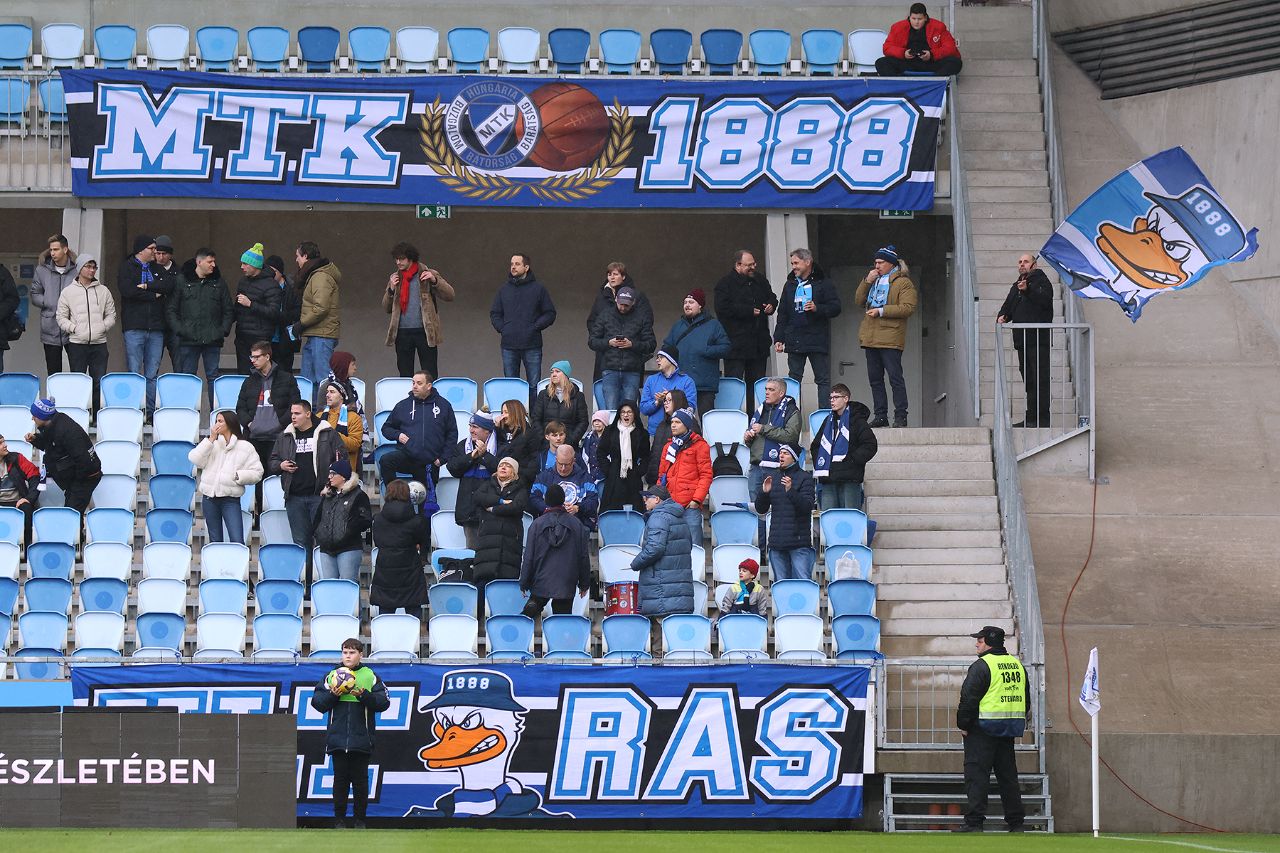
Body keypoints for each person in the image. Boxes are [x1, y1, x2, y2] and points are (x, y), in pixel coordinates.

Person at [310, 638, 391, 829]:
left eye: (352, 652)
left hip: (362, 739)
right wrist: (333, 695)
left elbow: (384, 702)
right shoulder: (332, 675)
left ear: (361, 655)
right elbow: (317, 703)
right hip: (338, 739)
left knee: (360, 783)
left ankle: (360, 820)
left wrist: (363, 695)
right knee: (340, 782)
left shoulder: (370, 675)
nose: (348, 656)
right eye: (345, 652)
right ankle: (339, 820)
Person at [956, 625, 1029, 833]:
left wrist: (964, 724)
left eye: (979, 641)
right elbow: (1026, 699)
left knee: (977, 776)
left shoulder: (981, 666)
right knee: (1008, 778)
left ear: (988, 642)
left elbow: (968, 699)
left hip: (982, 729)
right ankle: (1016, 823)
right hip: (1008, 729)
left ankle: (974, 822)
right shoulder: (1016, 665)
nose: (976, 644)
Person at [269, 400, 345, 573]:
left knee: (323, 541)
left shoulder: (327, 433)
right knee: (300, 543)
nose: (293, 417)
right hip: (294, 497)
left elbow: (341, 461)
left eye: (297, 413)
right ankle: (306, 583)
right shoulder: (285, 436)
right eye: (292, 413)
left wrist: (330, 486)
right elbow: (272, 461)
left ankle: (322, 581)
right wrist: (281, 465)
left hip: (321, 496)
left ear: (308, 414)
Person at [854, 245, 918, 428]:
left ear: (891, 263)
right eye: (875, 262)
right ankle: (880, 415)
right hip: (871, 337)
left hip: (890, 337)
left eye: (881, 262)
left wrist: (881, 311)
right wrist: (867, 281)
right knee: (875, 380)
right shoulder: (874, 280)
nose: (877, 266)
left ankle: (901, 415)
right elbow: (859, 301)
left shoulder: (903, 282)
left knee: (895, 378)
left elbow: (908, 308)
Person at [774, 248, 842, 410]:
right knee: (793, 379)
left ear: (808, 262)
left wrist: (817, 308)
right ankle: (790, 414)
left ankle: (825, 414)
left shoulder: (823, 283)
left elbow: (836, 307)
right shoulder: (790, 284)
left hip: (816, 338)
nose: (793, 267)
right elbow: (783, 313)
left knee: (822, 379)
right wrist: (779, 337)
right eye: (792, 263)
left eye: (796, 263)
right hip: (795, 338)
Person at [630, 484, 695, 652]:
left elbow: (654, 548)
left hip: (662, 591)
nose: (644, 500)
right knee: (677, 647)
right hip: (678, 590)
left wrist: (636, 563)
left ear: (657, 499)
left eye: (647, 497)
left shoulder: (658, 517)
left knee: (660, 646)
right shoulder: (679, 516)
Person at [167, 247, 232, 411]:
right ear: (199, 262)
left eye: (214, 261)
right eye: (210, 261)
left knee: (213, 377)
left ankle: (216, 415)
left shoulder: (219, 282)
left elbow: (228, 309)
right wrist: (180, 330)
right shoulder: (182, 281)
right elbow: (171, 309)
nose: (213, 265)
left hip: (213, 338)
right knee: (188, 378)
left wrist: (222, 330)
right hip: (188, 339)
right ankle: (187, 413)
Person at [714, 249, 778, 413]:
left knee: (757, 387)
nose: (753, 267)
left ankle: (755, 417)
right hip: (735, 346)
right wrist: (748, 311)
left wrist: (771, 305)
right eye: (749, 265)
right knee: (734, 386)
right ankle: (733, 418)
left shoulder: (760, 280)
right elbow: (722, 309)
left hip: (758, 345)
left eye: (754, 264)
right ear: (738, 265)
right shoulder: (725, 284)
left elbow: (772, 296)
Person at [236, 341, 301, 499]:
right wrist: (250, 424)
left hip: (278, 438)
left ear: (267, 356)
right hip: (254, 438)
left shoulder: (287, 379)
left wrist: (280, 424)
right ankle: (258, 512)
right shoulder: (249, 381)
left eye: (257, 357)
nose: (253, 360)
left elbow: (295, 405)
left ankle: (274, 511)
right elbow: (240, 408)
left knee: (275, 480)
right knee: (255, 479)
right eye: (252, 357)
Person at [117, 234, 172, 419]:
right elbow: (128, 291)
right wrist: (153, 295)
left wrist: (147, 286)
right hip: (134, 326)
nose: (155, 252)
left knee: (152, 374)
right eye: (152, 248)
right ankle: (134, 411)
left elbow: (167, 286)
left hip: (156, 328)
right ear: (141, 250)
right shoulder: (127, 267)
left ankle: (150, 413)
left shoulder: (158, 268)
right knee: (134, 371)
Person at [188, 410, 263, 544]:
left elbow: (257, 472)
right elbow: (195, 458)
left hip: (230, 500)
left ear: (230, 423)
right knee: (215, 540)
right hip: (209, 498)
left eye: (220, 421)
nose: (217, 424)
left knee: (237, 539)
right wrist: (211, 439)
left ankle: (237, 559)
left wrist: (238, 476)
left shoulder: (245, 447)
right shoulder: (212, 444)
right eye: (216, 421)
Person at [997, 253, 1055, 428]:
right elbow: (1009, 305)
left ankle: (1042, 419)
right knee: (1029, 380)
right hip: (1022, 340)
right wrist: (1003, 316)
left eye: (1026, 261)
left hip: (1037, 339)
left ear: (1034, 265)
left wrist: (1027, 290)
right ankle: (1031, 417)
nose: (1022, 264)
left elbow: (1044, 301)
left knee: (1040, 379)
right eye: (1020, 262)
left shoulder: (1041, 281)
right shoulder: (1017, 284)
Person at [384, 241, 455, 379]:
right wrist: (391, 290)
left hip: (425, 331)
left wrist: (435, 281)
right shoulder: (395, 278)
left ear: (411, 258)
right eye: (396, 259)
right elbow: (386, 307)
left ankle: (430, 394)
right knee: (405, 375)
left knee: (429, 374)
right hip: (402, 332)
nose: (398, 262)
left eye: (402, 259)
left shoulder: (428, 273)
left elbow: (450, 295)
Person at [472, 456, 528, 629]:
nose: (503, 467)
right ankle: (478, 623)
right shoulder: (487, 485)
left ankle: (503, 625)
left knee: (505, 585)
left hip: (509, 545)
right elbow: (478, 498)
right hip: (486, 544)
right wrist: (501, 501)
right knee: (482, 583)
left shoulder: (521, 488)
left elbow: (516, 507)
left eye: (508, 466)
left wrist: (492, 509)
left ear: (514, 472)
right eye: (501, 465)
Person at [520, 483, 591, 619]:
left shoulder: (536, 524)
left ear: (546, 500)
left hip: (541, 579)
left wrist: (524, 582)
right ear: (563, 499)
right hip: (567, 580)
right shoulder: (577, 524)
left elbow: (528, 557)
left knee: (531, 609)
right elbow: (583, 556)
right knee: (562, 621)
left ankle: (528, 614)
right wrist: (584, 584)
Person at [56, 255, 116, 412]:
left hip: (99, 343)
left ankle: (96, 416)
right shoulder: (68, 292)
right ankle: (79, 415)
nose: (92, 270)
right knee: (78, 382)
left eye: (94, 267)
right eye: (88, 267)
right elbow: (61, 317)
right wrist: (74, 328)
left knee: (98, 381)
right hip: (77, 344)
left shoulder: (103, 291)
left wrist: (102, 327)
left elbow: (111, 315)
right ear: (79, 268)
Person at [378, 371, 457, 488]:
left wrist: (442, 459)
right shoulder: (403, 405)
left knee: (426, 499)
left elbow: (452, 434)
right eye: (413, 383)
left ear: (429, 386)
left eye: (419, 383)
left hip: (430, 462)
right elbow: (386, 428)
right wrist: (398, 435)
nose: (414, 386)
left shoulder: (444, 405)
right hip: (407, 456)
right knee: (386, 461)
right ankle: (394, 493)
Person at [662, 289, 731, 416]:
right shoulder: (678, 326)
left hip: (705, 384)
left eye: (691, 302)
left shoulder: (713, 325)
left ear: (700, 305)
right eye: (685, 302)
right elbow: (666, 348)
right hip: (682, 383)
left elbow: (726, 348)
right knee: (680, 419)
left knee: (707, 420)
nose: (687, 305)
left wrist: (706, 350)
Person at [26, 398, 101, 514]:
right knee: (72, 514)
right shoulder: (53, 423)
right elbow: (51, 446)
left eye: (34, 416)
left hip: (85, 477)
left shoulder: (66, 431)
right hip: (77, 477)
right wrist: (35, 439)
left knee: (72, 514)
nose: (32, 418)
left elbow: (83, 460)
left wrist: (75, 483)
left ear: (42, 416)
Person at [490, 252, 556, 382]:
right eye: (511, 264)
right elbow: (495, 313)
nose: (513, 267)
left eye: (517, 264)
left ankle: (533, 399)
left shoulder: (538, 289)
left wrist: (535, 327)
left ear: (526, 267)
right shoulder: (504, 290)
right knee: (511, 385)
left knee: (534, 385)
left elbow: (550, 313)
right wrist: (504, 329)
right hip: (509, 345)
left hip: (532, 344)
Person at [811, 384, 879, 510]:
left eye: (836, 397)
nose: (832, 401)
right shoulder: (828, 420)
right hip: (829, 478)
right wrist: (821, 462)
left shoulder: (857, 420)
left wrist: (852, 460)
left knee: (849, 516)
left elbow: (870, 445)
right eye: (831, 398)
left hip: (849, 479)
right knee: (829, 517)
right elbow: (816, 446)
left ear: (846, 398)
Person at [754, 444, 816, 580]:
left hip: (799, 542)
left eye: (786, 453)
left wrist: (790, 491)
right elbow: (761, 509)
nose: (781, 456)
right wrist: (764, 492)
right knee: (781, 586)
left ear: (794, 458)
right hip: (777, 542)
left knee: (803, 583)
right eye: (780, 453)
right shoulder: (773, 477)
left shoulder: (805, 477)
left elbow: (807, 507)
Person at [370, 479, 431, 617]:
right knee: (413, 608)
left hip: (385, 567)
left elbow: (377, 541)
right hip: (410, 567)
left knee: (385, 610)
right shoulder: (417, 520)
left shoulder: (378, 519)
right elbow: (423, 541)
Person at [589, 285, 655, 410]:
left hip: (632, 370)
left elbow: (651, 344)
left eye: (626, 305)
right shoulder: (605, 315)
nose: (623, 308)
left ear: (633, 302)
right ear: (616, 300)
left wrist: (632, 344)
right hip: (610, 369)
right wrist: (609, 343)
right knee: (611, 410)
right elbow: (592, 341)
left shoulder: (641, 317)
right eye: (621, 304)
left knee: (629, 410)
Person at [586, 261, 654, 383]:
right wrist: (604, 341)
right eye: (609, 274)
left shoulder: (637, 296)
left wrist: (632, 342)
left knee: (629, 393)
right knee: (604, 390)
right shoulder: (602, 297)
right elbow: (592, 321)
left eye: (615, 274)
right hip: (607, 356)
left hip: (631, 357)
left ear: (623, 276)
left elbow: (647, 321)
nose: (612, 277)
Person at [292, 241, 342, 405]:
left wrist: (301, 324)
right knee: (308, 380)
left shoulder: (320, 276)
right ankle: (312, 415)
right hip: (316, 333)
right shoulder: (316, 275)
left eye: (298, 256)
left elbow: (321, 308)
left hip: (322, 334)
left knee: (322, 379)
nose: (296, 260)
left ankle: (325, 414)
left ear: (305, 256)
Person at [656, 408, 712, 548]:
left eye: (678, 422)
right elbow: (662, 475)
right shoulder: (668, 447)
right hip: (669, 505)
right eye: (672, 422)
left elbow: (706, 475)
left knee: (694, 547)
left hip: (689, 506)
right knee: (671, 548)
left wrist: (696, 500)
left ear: (686, 424)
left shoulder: (700, 446)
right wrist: (659, 497)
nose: (673, 425)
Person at [313, 457, 372, 582]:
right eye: (329, 473)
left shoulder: (359, 495)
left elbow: (365, 520)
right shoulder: (328, 496)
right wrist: (319, 535)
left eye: (333, 474)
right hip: (326, 549)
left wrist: (347, 532)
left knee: (348, 586)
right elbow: (318, 518)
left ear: (343, 476)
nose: (329, 477)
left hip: (349, 548)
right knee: (329, 586)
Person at [743, 377, 801, 501]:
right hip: (756, 466)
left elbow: (791, 436)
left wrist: (764, 429)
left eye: (771, 390)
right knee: (756, 506)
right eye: (766, 389)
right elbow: (753, 442)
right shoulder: (761, 410)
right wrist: (748, 438)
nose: (767, 392)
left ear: (781, 393)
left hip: (777, 468)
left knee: (776, 505)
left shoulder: (792, 411)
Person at [446, 411, 498, 548]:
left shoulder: (499, 445)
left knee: (490, 551)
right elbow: (452, 468)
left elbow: (501, 469)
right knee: (472, 552)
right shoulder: (463, 445)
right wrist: (471, 457)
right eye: (470, 426)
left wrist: (484, 455)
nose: (471, 430)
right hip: (469, 510)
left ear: (487, 430)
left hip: (492, 511)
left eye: (475, 427)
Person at [232, 242, 283, 376]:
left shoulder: (271, 285)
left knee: (260, 375)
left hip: (260, 338)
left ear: (255, 265)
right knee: (243, 374)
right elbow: (236, 308)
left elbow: (274, 313)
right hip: (242, 337)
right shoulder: (243, 281)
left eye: (245, 264)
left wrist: (251, 304)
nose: (242, 267)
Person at [29, 233, 77, 376]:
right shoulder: (42, 270)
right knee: (53, 372)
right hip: (50, 326)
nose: (52, 253)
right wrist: (47, 302)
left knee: (77, 370)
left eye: (56, 249)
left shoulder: (77, 270)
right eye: (51, 250)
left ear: (65, 249)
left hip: (73, 327)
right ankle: (54, 392)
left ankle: (75, 392)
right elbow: (35, 293)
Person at [876, 3, 963, 77]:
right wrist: (903, 53)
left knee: (955, 62)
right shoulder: (898, 27)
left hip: (930, 64)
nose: (916, 22)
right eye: (913, 19)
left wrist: (931, 55)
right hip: (907, 63)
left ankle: (934, 83)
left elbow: (950, 48)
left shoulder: (938, 27)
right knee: (881, 62)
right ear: (909, 17)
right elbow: (887, 48)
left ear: (925, 18)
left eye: (919, 19)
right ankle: (900, 83)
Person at [530, 445, 599, 531]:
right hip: (550, 526)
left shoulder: (585, 478)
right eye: (560, 464)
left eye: (567, 464)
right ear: (556, 459)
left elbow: (593, 501)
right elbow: (534, 498)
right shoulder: (544, 477)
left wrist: (577, 508)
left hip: (578, 526)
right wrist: (550, 509)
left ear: (573, 461)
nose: (563, 468)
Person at [598, 401, 649, 512]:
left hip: (633, 477)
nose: (626, 415)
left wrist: (639, 471)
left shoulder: (641, 433)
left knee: (633, 511)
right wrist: (608, 470)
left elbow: (646, 456)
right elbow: (601, 452)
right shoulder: (610, 431)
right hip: (614, 476)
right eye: (623, 412)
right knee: (612, 510)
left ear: (634, 414)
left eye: (629, 412)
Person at [639, 346, 699, 435]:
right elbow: (643, 409)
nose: (657, 360)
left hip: (679, 434)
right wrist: (657, 402)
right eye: (657, 358)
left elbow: (690, 409)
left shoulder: (687, 381)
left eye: (661, 357)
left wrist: (672, 398)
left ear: (671, 360)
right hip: (655, 433)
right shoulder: (651, 380)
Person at [531, 360, 589, 448]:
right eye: (552, 372)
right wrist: (544, 440)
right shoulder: (543, 395)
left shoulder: (578, 396)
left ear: (565, 375)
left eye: (557, 371)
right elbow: (535, 419)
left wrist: (571, 440)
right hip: (546, 446)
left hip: (569, 446)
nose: (553, 374)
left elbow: (583, 422)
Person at [644, 389, 693, 488]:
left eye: (669, 400)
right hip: (656, 481)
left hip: (676, 483)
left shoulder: (689, 426)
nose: (665, 403)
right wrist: (650, 476)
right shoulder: (662, 425)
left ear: (678, 401)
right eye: (665, 400)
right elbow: (654, 453)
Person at [0, 434, 41, 545]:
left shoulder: (16, 458)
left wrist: (29, 498)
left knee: (26, 508)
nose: (5, 445)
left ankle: (26, 548)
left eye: (4, 441)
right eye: (0, 443)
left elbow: (35, 476)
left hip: (17, 502)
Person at [319, 379, 365, 474]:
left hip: (344, 472)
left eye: (332, 392)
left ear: (342, 396)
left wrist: (333, 435)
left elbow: (355, 445)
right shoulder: (318, 417)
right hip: (321, 469)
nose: (327, 395)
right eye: (327, 392)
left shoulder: (354, 418)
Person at [265, 254, 300, 373]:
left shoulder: (292, 288)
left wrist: (280, 316)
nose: (270, 274)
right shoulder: (265, 287)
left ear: (280, 272)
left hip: (285, 339)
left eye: (273, 271)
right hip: (268, 338)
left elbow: (298, 312)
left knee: (284, 373)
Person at [152, 236, 182, 371]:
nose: (160, 257)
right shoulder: (149, 270)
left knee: (179, 364)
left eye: (164, 253)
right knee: (153, 364)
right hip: (155, 324)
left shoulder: (179, 273)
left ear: (170, 254)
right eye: (158, 253)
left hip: (175, 324)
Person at [493, 398, 540, 485]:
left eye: (506, 412)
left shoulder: (529, 433)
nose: (503, 416)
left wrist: (521, 474)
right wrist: (497, 429)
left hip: (520, 479)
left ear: (515, 413)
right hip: (501, 478)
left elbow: (534, 459)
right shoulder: (499, 431)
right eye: (502, 412)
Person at [322, 351, 365, 415]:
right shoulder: (326, 386)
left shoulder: (349, 385)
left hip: (353, 420)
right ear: (344, 366)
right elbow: (321, 413)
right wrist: (346, 408)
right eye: (353, 364)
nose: (355, 368)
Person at [579, 410, 608, 486]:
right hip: (591, 474)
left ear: (605, 422)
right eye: (595, 421)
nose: (596, 423)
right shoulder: (589, 437)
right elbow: (585, 455)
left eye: (599, 421)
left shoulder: (609, 437)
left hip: (604, 476)